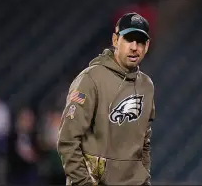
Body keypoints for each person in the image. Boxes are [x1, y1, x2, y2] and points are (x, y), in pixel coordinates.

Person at [57, 12, 155, 185]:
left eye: (140, 41)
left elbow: (144, 142)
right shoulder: (91, 79)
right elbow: (67, 140)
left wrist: (143, 178)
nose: (134, 47)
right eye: (128, 39)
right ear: (115, 40)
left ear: (147, 45)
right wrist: (84, 183)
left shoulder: (146, 85)